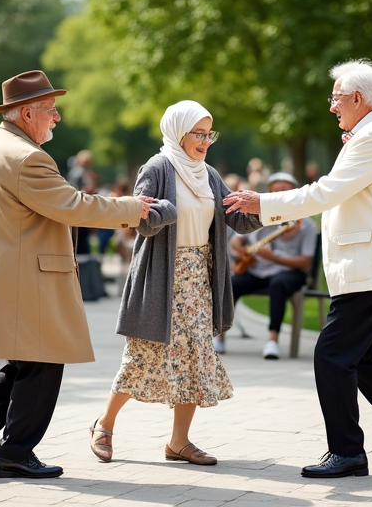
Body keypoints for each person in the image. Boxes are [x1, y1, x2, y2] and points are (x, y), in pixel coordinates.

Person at [223, 59, 372, 478]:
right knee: (359, 358)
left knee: (332, 355)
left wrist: (264, 204)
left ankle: (347, 453)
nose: (332, 107)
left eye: (336, 98)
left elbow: (325, 193)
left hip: (371, 266)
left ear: (359, 99)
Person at [0, 70, 152, 480]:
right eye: (51, 110)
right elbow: (74, 205)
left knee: (29, 365)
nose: (57, 117)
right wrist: (132, 208)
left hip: (12, 272)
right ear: (26, 113)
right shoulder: (27, 157)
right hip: (27, 276)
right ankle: (15, 452)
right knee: (43, 363)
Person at [88, 100, 261, 467]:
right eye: (198, 133)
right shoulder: (157, 168)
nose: (205, 141)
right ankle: (104, 424)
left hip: (199, 277)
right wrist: (168, 209)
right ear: (178, 131)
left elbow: (237, 219)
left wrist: (269, 209)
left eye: (209, 133)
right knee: (143, 356)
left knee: (195, 358)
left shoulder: (209, 174)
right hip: (162, 276)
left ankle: (179, 442)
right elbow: (143, 220)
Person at [214, 171, 317, 358]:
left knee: (279, 284)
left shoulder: (306, 223)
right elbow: (236, 242)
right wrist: (244, 253)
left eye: (284, 191)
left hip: (289, 271)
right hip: (258, 270)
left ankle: (272, 341)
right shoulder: (262, 216)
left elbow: (306, 261)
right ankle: (218, 336)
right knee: (232, 284)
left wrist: (274, 258)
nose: (279, 195)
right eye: (275, 191)